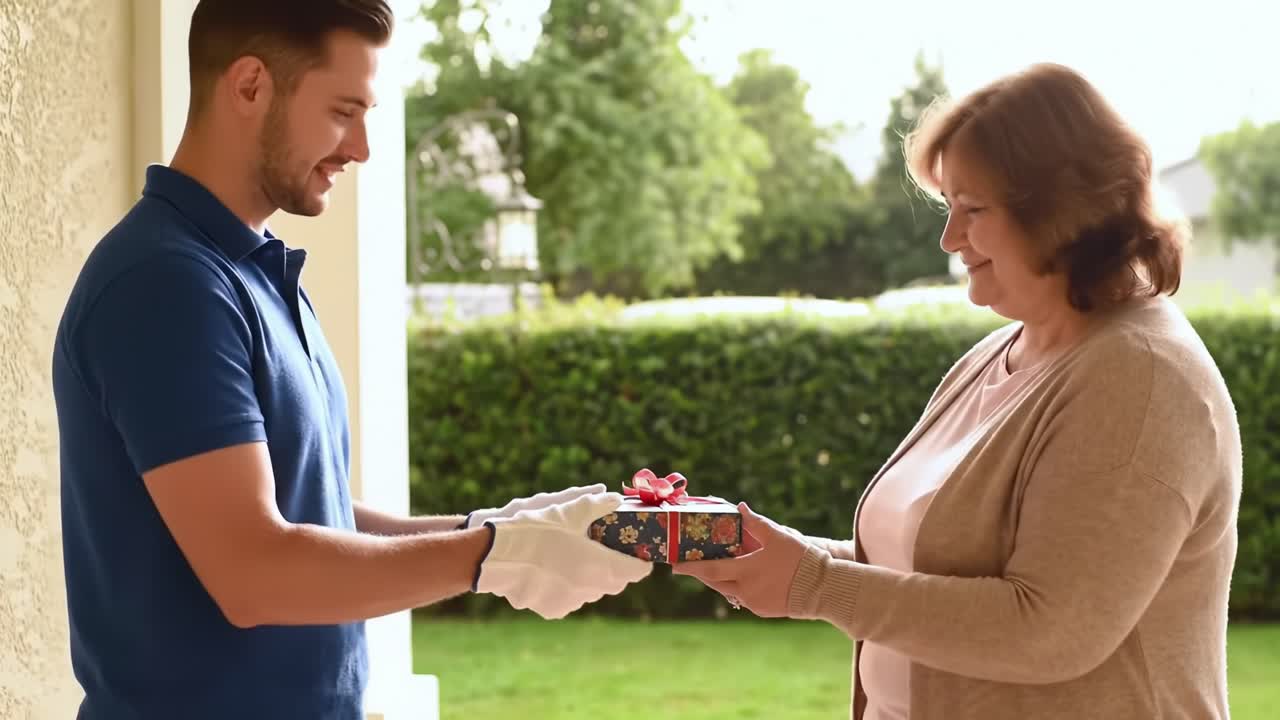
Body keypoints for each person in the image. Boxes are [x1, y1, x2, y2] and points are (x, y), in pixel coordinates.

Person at [50, 2, 649, 717]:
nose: (362, 147)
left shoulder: (252, 275)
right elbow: (253, 572)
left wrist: (496, 530)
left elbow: (314, 515)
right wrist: (496, 554)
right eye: (343, 111)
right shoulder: (165, 284)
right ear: (249, 86)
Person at [678, 62, 1241, 720]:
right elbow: (924, 567)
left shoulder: (1142, 379)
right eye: (950, 209)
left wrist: (812, 584)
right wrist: (781, 554)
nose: (950, 239)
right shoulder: (998, 354)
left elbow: (1049, 629)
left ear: (1064, 213)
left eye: (974, 210)